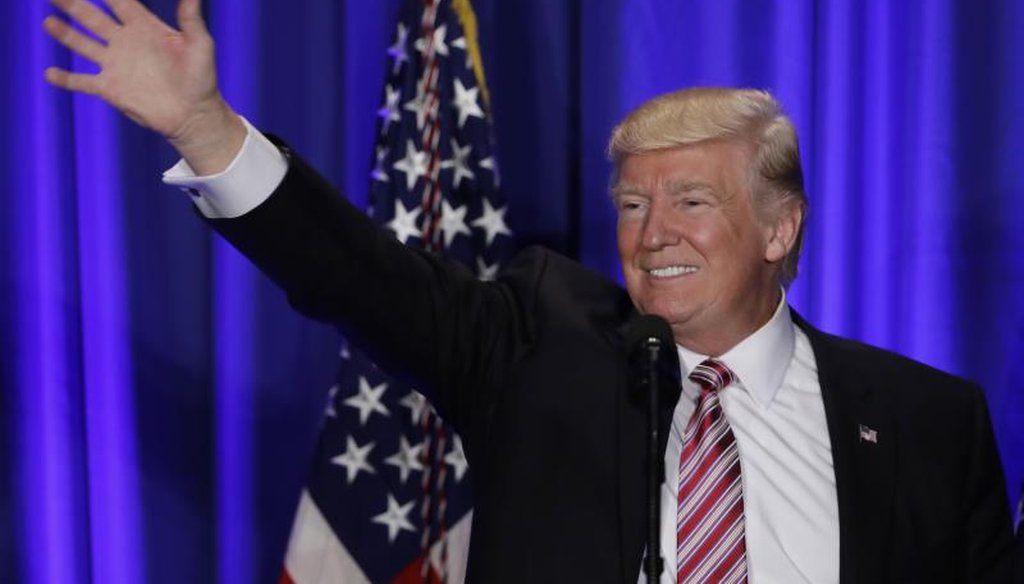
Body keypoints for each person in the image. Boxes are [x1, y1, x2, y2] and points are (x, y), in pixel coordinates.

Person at [44, 0, 1015, 582]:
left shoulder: (930, 421)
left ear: (779, 224)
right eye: (633, 203)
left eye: (690, 200)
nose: (652, 232)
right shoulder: (537, 343)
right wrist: (207, 130)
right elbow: (355, 276)